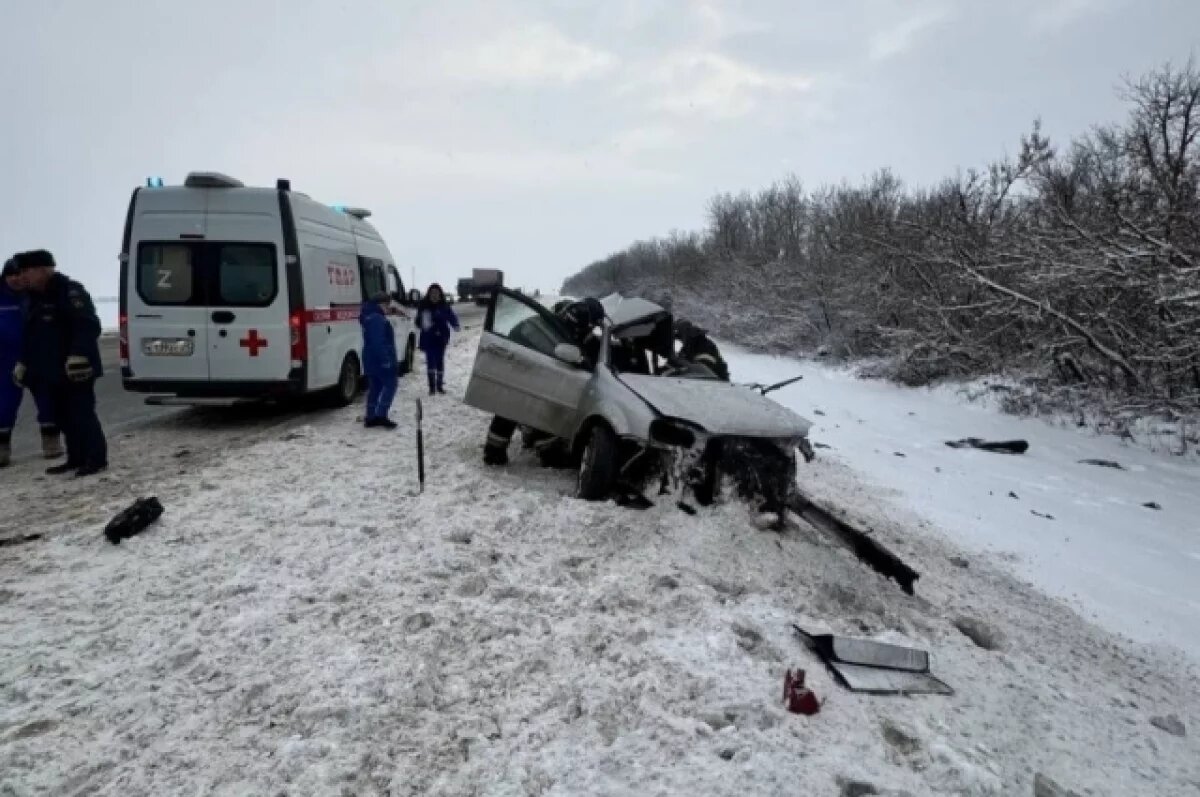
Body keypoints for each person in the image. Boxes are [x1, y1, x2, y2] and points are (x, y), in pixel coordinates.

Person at [11, 250, 106, 476]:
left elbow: (88, 325)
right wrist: (23, 363)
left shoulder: (69, 291)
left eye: (27, 271)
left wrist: (79, 355)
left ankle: (96, 459)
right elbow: (32, 335)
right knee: (62, 415)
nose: (23, 276)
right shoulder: (33, 297)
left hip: (75, 369)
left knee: (81, 413)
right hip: (50, 370)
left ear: (44, 270)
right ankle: (76, 458)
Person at [483, 297, 605, 466]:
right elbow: (566, 350)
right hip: (527, 369)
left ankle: (498, 451)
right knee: (527, 410)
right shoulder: (557, 329)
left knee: (517, 408)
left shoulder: (548, 321)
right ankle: (539, 454)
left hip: (525, 367)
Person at [1, 259, 62, 467]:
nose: (17, 279)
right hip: (5, 359)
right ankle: (2, 447)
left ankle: (51, 440)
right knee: (5, 404)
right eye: (12, 275)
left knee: (47, 400)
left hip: (37, 357)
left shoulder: (37, 295)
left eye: (21, 274)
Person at [359, 291, 399, 429]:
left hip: (370, 359)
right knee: (391, 385)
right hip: (379, 360)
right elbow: (378, 342)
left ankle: (371, 416)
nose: (388, 308)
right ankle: (381, 415)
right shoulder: (377, 318)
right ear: (381, 304)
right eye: (387, 305)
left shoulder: (369, 316)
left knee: (375, 387)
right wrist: (385, 359)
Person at [416, 283, 460, 396]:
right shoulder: (424, 305)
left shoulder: (444, 306)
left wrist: (455, 325)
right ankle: (432, 387)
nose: (435, 295)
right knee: (431, 361)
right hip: (428, 338)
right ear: (429, 294)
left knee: (440, 361)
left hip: (441, 338)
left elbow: (451, 316)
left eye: (437, 293)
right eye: (432, 293)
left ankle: (439, 385)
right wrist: (422, 321)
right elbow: (418, 321)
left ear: (440, 294)